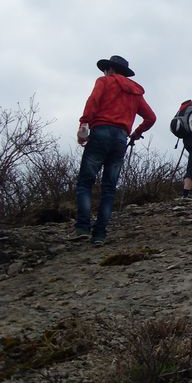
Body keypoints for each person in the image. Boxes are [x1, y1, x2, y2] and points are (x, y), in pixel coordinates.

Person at [70, 55, 156, 245]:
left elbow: (93, 102)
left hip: (100, 131)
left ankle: (83, 227)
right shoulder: (135, 92)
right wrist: (135, 133)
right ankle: (100, 234)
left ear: (110, 69)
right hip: (120, 138)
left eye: (105, 70)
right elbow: (150, 117)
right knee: (109, 188)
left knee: (85, 183)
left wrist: (84, 124)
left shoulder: (104, 82)